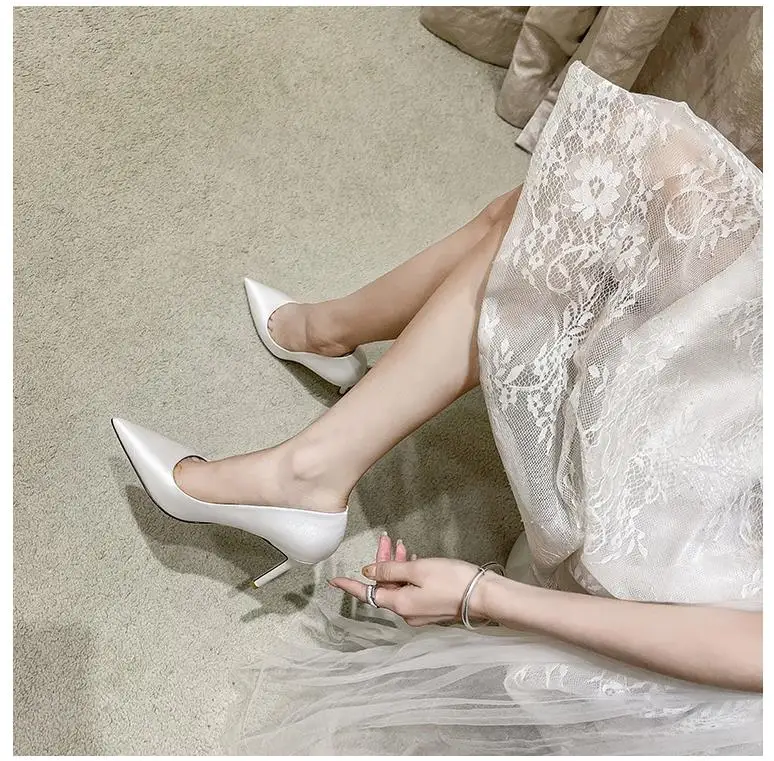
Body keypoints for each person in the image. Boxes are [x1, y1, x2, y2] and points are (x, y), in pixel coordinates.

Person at [113, 63, 762, 754]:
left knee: (590, 211)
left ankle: (309, 461)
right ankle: (329, 338)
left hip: (708, 583)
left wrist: (481, 595)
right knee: (623, 166)